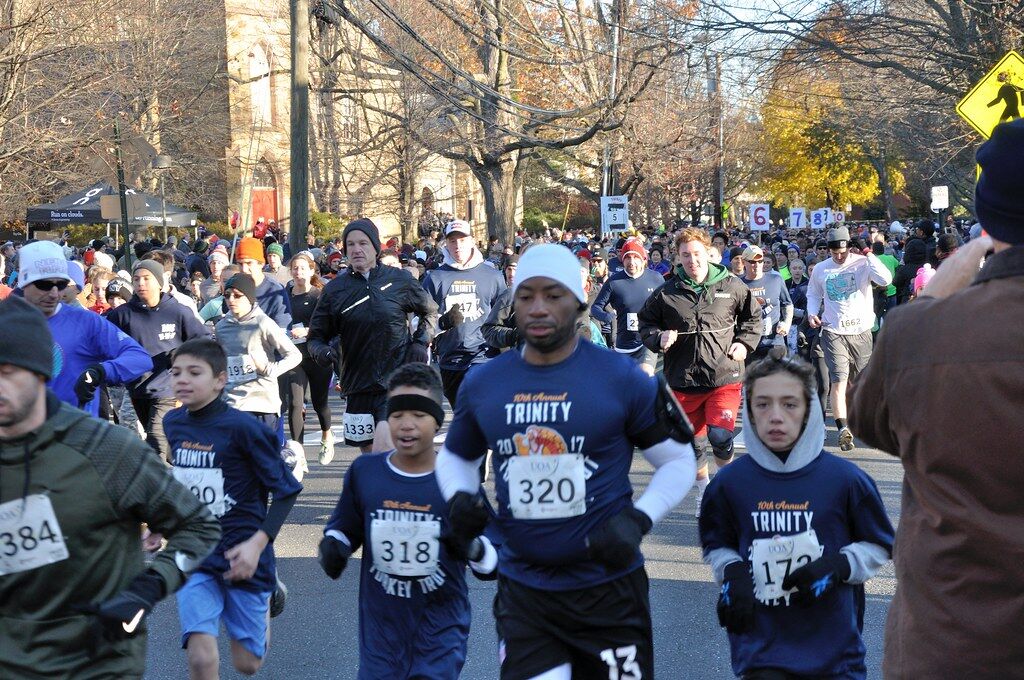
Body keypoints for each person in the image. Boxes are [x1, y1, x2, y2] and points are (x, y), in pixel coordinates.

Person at [436, 244, 697, 680]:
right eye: (526, 296)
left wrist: (639, 519)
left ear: (578, 300)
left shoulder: (622, 378)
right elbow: (455, 459)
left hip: (609, 591)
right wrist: (462, 500)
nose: (538, 308)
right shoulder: (484, 383)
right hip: (526, 592)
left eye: (553, 295)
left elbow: (677, 461)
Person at [849, 118, 1024, 678]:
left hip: (953, 641)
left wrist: (930, 303)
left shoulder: (921, 334)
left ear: (988, 223)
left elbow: (869, 421)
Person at [0, 296, 220, 679]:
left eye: (7, 372)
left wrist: (149, 588)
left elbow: (198, 527)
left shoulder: (106, 450)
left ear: (38, 373)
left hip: (95, 664)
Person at [701, 352, 894, 679]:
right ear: (748, 410)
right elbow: (717, 545)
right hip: (761, 653)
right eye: (763, 404)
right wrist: (732, 573)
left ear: (810, 411)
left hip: (835, 655)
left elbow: (880, 544)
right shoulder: (728, 484)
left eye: (789, 404)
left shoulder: (845, 480)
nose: (776, 416)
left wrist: (838, 566)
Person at [318, 363, 497, 679]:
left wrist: (471, 547)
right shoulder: (366, 472)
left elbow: (495, 561)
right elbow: (345, 527)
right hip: (381, 631)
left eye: (419, 415)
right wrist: (335, 546)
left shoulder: (458, 482)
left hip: (440, 629)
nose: (407, 425)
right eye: (398, 415)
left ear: (437, 422)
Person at [163, 338, 301, 679]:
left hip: (244, 553)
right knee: (200, 658)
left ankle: (270, 592)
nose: (182, 379)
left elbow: (286, 490)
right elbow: (184, 483)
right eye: (176, 372)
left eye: (195, 372)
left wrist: (258, 544)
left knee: (247, 664)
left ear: (220, 380)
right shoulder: (174, 423)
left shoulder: (245, 429)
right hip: (195, 554)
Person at [638, 228, 762, 517]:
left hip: (724, 377)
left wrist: (744, 344)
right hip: (684, 380)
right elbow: (646, 324)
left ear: (708, 252)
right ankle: (705, 489)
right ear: (677, 258)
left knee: (720, 436)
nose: (692, 260)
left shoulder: (732, 286)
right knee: (693, 445)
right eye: (685, 255)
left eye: (696, 253)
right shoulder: (666, 293)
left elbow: (752, 319)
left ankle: (726, 488)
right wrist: (658, 339)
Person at [308, 219, 439, 453]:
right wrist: (326, 354)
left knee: (386, 446)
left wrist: (420, 342)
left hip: (395, 381)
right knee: (370, 454)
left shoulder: (399, 280)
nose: (357, 249)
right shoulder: (335, 290)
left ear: (375, 247)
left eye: (363, 243)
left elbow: (430, 311)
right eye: (351, 244)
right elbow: (315, 339)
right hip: (356, 385)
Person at [14, 241, 153, 417]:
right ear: (24, 282)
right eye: (44, 284)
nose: (55, 293)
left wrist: (101, 371)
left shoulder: (85, 322)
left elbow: (140, 358)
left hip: (76, 434)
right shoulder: (8, 323)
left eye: (61, 284)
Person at [107, 260, 212, 461]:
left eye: (146, 278)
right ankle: (180, 478)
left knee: (156, 438)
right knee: (164, 443)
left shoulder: (177, 311)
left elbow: (204, 340)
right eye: (136, 279)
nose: (141, 284)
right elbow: (103, 342)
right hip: (137, 389)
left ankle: (159, 487)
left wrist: (182, 355)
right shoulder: (122, 314)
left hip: (169, 389)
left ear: (159, 282)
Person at [804, 226, 892, 452]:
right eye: (834, 253)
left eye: (842, 252)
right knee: (839, 380)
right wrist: (813, 312)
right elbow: (813, 293)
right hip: (834, 331)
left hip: (861, 331)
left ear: (849, 247)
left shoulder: (862, 263)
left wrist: (868, 252)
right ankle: (843, 428)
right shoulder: (821, 269)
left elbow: (885, 279)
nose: (839, 256)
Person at [421, 219, 507, 408]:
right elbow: (421, 324)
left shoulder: (492, 276)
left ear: (471, 241)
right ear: (446, 244)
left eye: (462, 240)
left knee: (479, 409)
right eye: (452, 241)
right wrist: (443, 323)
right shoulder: (434, 279)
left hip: (484, 355)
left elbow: (504, 317)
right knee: (463, 416)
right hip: (450, 360)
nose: (457, 245)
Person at [214, 273, 301, 433]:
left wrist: (270, 369)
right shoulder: (221, 327)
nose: (231, 300)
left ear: (250, 298)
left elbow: (294, 355)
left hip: (262, 403)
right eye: (227, 295)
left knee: (260, 457)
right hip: (232, 402)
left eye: (237, 295)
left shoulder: (263, 323)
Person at [283, 251, 336, 464]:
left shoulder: (318, 295)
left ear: (312, 270)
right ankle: (298, 453)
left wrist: (307, 331)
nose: (298, 272)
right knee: (296, 403)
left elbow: (330, 325)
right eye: (295, 268)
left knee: (319, 403)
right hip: (294, 358)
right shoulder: (285, 295)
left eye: (303, 268)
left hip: (316, 356)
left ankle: (327, 434)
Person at [590, 238, 664, 375]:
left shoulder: (656, 279)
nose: (631, 262)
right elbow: (595, 308)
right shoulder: (614, 282)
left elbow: (666, 306)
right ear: (622, 260)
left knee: (645, 375)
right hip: (624, 343)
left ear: (643, 259)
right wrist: (608, 316)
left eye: (635, 257)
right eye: (627, 257)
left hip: (648, 340)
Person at [739, 245, 793, 362]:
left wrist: (786, 323)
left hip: (775, 340)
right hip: (749, 340)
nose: (757, 265)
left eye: (760, 261)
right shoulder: (739, 284)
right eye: (752, 262)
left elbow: (787, 304)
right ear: (744, 262)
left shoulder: (775, 280)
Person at [234, 237, 291, 328]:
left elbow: (283, 329)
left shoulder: (275, 291)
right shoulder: (233, 289)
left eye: (249, 263)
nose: (244, 269)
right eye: (240, 264)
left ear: (261, 264)